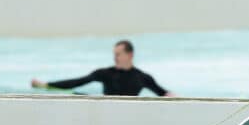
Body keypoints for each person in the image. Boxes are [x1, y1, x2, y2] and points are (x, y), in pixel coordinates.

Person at [31, 40, 174, 96]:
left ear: (130, 55)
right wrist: (46, 85)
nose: (115, 57)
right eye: (114, 54)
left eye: (118, 54)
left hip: (129, 115)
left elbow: (162, 93)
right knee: (77, 93)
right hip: (107, 109)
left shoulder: (143, 77)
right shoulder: (105, 73)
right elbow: (78, 81)